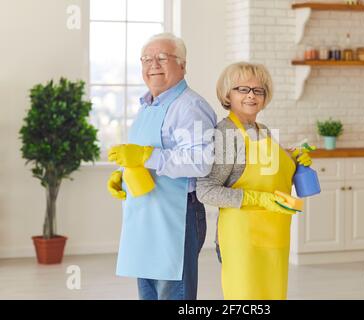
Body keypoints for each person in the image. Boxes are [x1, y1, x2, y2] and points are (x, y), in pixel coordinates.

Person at [106, 32, 217, 300]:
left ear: (182, 65)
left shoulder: (191, 107)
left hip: (177, 216)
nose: (152, 64)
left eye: (162, 58)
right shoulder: (147, 105)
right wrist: (123, 175)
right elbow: (143, 159)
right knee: (148, 293)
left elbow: (201, 162)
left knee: (172, 293)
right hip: (144, 215)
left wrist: (146, 155)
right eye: (146, 59)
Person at [196, 62, 312, 300]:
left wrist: (294, 161)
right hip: (243, 239)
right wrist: (256, 198)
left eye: (258, 90)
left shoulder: (263, 130)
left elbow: (270, 178)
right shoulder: (226, 134)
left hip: (275, 233)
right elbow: (206, 190)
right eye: (242, 89)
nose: (251, 95)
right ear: (227, 93)